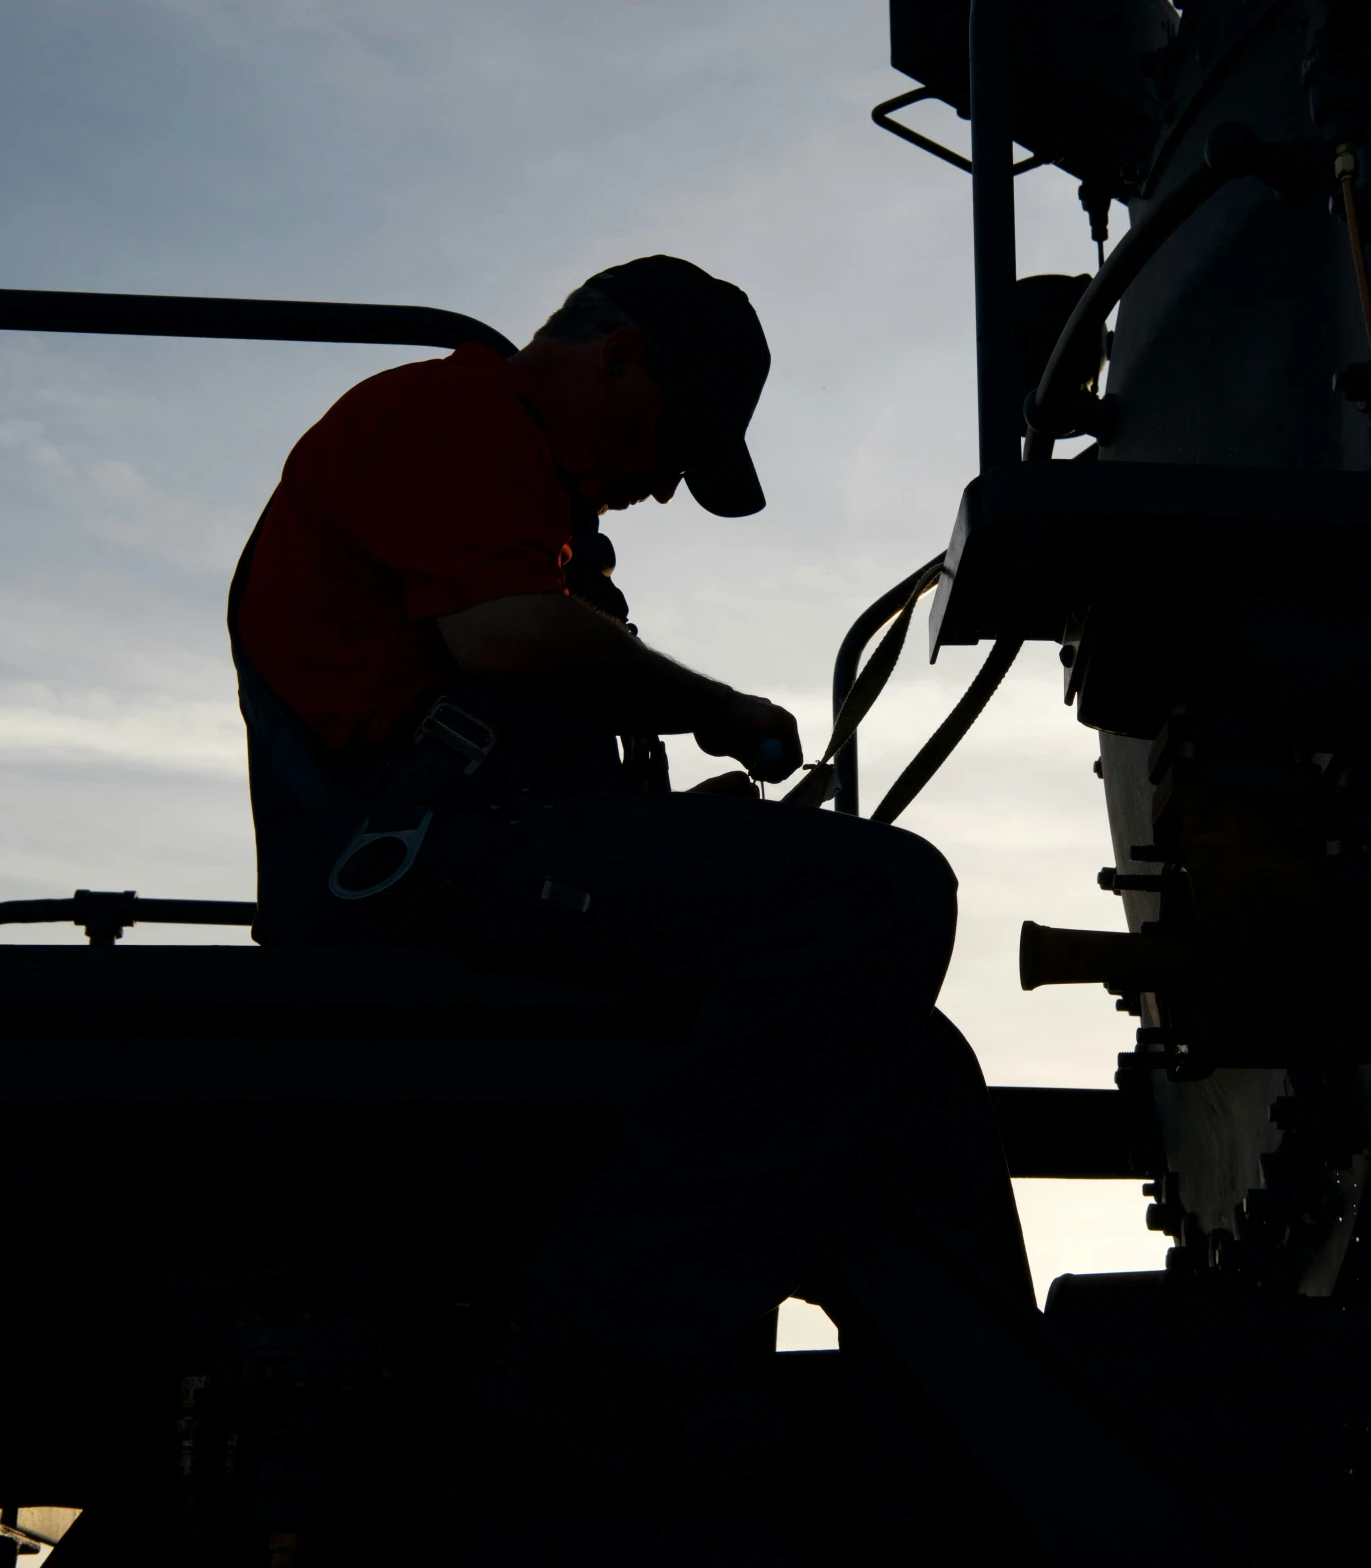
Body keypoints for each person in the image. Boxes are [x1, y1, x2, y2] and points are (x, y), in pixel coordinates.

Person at [226, 257, 1039, 1557]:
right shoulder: (452, 413)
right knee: (878, 893)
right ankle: (619, 1348)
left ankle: (987, 1469)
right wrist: (718, 709)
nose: (662, 485)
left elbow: (518, 715)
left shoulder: (519, 498)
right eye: (677, 444)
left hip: (483, 852)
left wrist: (688, 828)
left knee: (911, 1060)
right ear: (618, 363)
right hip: (419, 876)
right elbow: (505, 641)